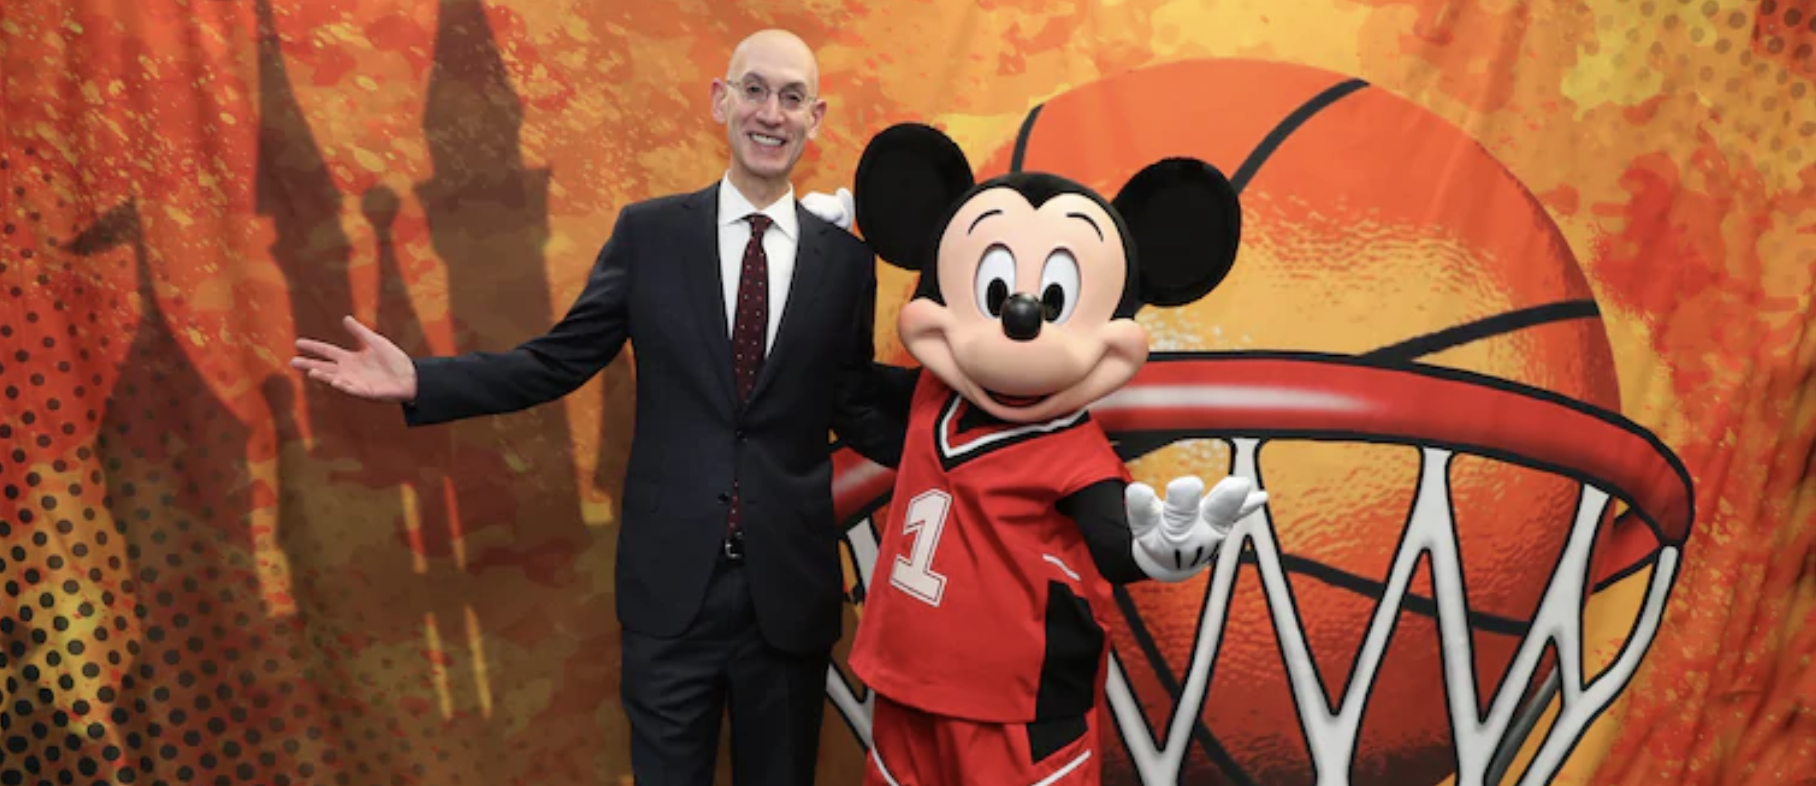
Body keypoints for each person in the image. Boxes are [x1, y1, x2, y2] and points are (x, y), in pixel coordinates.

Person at [291, 29, 912, 786]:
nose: (770, 114)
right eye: (754, 90)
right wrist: (423, 380)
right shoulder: (648, 235)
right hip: (669, 594)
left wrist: (991, 412)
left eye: (791, 98)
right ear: (721, 100)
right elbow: (556, 361)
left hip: (788, 599)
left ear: (815, 118)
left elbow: (856, 401)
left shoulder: (845, 263)